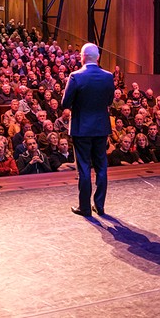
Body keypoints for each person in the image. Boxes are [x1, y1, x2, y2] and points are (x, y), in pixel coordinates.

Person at [61, 43, 115, 216]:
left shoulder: (75, 76)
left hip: (81, 128)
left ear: (82, 56)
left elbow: (65, 103)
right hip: (101, 128)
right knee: (102, 167)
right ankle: (100, 206)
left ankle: (85, 208)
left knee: (83, 168)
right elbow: (109, 101)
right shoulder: (108, 76)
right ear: (98, 57)